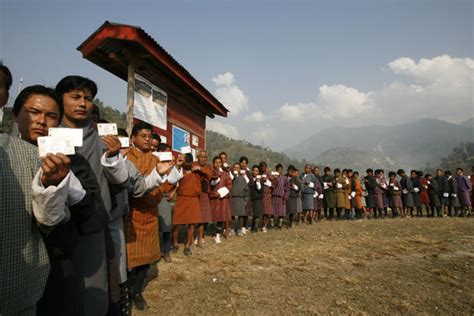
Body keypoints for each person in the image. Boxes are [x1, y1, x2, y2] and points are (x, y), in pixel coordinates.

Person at [56, 75, 132, 314]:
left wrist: (113, 157)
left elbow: (120, 181)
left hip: (94, 225)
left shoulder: (101, 140)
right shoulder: (48, 136)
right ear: (60, 99)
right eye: (75, 97)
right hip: (59, 225)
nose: (82, 103)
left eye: (88, 98)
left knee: (95, 289)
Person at [0, 64, 71, 315]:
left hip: (20, 286)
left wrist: (51, 185)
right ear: (15, 113)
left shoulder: (40, 157)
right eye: (34, 112)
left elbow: (52, 219)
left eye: (50, 116)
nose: (41, 121)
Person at [124, 122, 175, 310]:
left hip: (151, 214)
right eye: (143, 135)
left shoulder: (156, 159)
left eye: (149, 136)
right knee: (129, 258)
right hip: (130, 215)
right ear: (133, 138)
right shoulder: (126, 157)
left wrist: (164, 185)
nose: (147, 139)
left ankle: (137, 291)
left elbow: (164, 185)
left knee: (146, 259)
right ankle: (126, 291)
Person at [172, 153, 203, 256]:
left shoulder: (197, 170)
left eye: (182, 159)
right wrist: (178, 166)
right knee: (176, 223)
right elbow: (173, 180)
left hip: (193, 199)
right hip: (182, 198)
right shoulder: (179, 169)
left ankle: (187, 246)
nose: (180, 161)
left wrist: (199, 169)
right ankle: (175, 244)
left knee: (192, 223)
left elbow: (208, 174)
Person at [209, 156, 232, 242]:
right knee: (210, 216)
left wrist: (219, 193)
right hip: (212, 198)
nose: (217, 164)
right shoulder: (210, 172)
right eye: (216, 162)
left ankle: (217, 234)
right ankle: (202, 234)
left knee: (221, 217)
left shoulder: (225, 174)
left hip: (222, 199)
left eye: (219, 162)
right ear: (213, 163)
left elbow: (229, 185)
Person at [195, 149, 213, 247]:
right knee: (194, 217)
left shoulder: (208, 167)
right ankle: (193, 236)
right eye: (201, 157)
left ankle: (200, 237)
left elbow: (209, 175)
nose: (203, 159)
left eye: (205, 157)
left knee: (203, 218)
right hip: (194, 194)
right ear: (197, 157)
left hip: (204, 194)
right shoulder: (194, 164)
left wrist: (200, 170)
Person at [230, 162, 249, 235]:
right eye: (235, 167)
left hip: (241, 198)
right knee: (232, 215)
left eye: (237, 168)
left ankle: (240, 229)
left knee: (241, 215)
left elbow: (246, 190)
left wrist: (245, 200)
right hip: (233, 198)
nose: (236, 169)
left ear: (239, 169)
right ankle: (231, 229)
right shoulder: (231, 177)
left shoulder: (242, 178)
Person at [272, 163, 289, 229]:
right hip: (274, 196)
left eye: (281, 169)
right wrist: (274, 179)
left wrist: (285, 198)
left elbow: (287, 188)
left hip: (281, 197)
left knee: (281, 212)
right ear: (276, 170)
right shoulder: (273, 177)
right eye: (278, 169)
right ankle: (272, 224)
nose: (279, 171)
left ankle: (280, 224)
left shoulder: (285, 178)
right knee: (272, 211)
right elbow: (271, 186)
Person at [259, 161, 274, 232]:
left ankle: (265, 225)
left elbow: (273, 183)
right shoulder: (259, 174)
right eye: (261, 167)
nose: (263, 168)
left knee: (268, 212)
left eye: (264, 167)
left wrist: (266, 181)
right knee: (263, 211)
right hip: (261, 195)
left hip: (268, 195)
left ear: (266, 167)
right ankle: (262, 224)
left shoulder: (268, 174)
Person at [249, 165, 264, 232]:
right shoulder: (250, 178)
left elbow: (259, 189)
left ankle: (255, 227)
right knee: (254, 213)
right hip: (252, 197)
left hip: (258, 198)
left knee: (257, 213)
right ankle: (252, 226)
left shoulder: (260, 180)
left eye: (256, 171)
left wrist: (258, 182)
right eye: (254, 170)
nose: (255, 172)